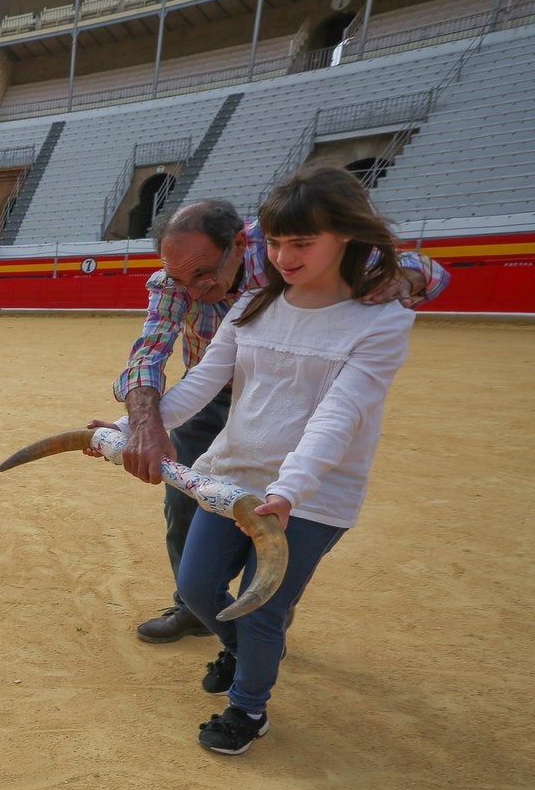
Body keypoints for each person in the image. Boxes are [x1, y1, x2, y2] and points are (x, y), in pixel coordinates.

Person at [103, 164, 416, 754]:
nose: (285, 255)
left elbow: (338, 416)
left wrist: (291, 490)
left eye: (300, 243)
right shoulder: (252, 304)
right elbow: (196, 387)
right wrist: (130, 425)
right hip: (231, 471)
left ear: (346, 237)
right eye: (277, 243)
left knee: (263, 607)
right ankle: (241, 650)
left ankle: (248, 708)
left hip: (313, 491)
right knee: (197, 588)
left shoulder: (383, 316)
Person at [114, 194, 448, 643]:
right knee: (183, 506)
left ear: (237, 244)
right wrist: (143, 423)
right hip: (207, 395)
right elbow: (149, 352)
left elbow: (429, 270)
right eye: (180, 278)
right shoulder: (176, 277)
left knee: (284, 505)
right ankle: (194, 604)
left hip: (291, 400)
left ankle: (271, 606)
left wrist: (402, 277)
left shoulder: (280, 245)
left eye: (204, 274)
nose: (193, 290)